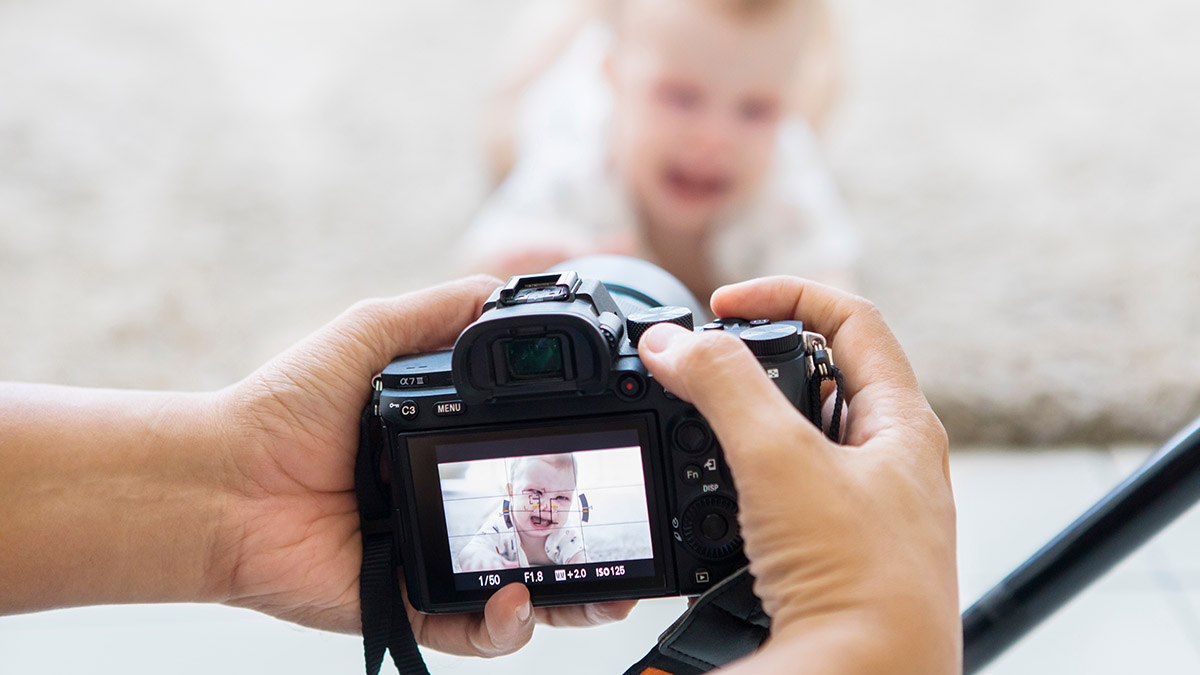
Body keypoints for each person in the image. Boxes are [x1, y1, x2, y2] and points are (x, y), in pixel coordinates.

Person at [0, 275, 960, 673]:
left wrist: (225, 506)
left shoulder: (579, 541)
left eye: (555, 492)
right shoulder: (495, 541)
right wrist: (880, 639)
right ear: (504, 497)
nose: (541, 505)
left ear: (580, 502)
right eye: (528, 490)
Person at [462, 0, 859, 301]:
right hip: (555, 93)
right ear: (613, 81)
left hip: (776, 84)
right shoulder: (576, 168)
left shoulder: (784, 168)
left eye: (755, 109)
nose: (713, 139)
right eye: (681, 98)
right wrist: (537, 263)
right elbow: (471, 278)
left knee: (819, 86)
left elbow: (832, 300)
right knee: (500, 138)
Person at [456, 454, 587, 572]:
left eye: (561, 497)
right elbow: (469, 552)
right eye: (536, 492)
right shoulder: (501, 526)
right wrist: (480, 557)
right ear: (512, 492)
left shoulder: (566, 534)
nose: (549, 506)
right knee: (488, 514)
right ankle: (501, 498)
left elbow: (582, 561)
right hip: (504, 511)